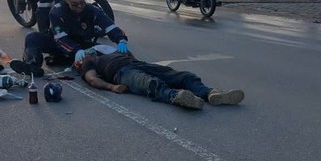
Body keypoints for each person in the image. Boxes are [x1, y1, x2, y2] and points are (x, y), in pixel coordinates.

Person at [13, 0, 129, 77]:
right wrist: (76, 50)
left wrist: (121, 39)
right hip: (60, 46)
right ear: (66, 0)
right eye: (74, 4)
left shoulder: (92, 10)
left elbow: (109, 26)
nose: (79, 7)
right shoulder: (57, 12)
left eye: (82, 3)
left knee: (107, 53)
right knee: (32, 38)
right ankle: (32, 65)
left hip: (84, 46)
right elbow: (60, 39)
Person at [77, 50, 245, 110]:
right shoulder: (88, 60)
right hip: (122, 73)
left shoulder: (108, 51)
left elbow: (130, 54)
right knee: (151, 84)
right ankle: (178, 97)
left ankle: (210, 94)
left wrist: (127, 53)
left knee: (184, 76)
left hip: (138, 64)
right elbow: (91, 79)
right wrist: (111, 87)